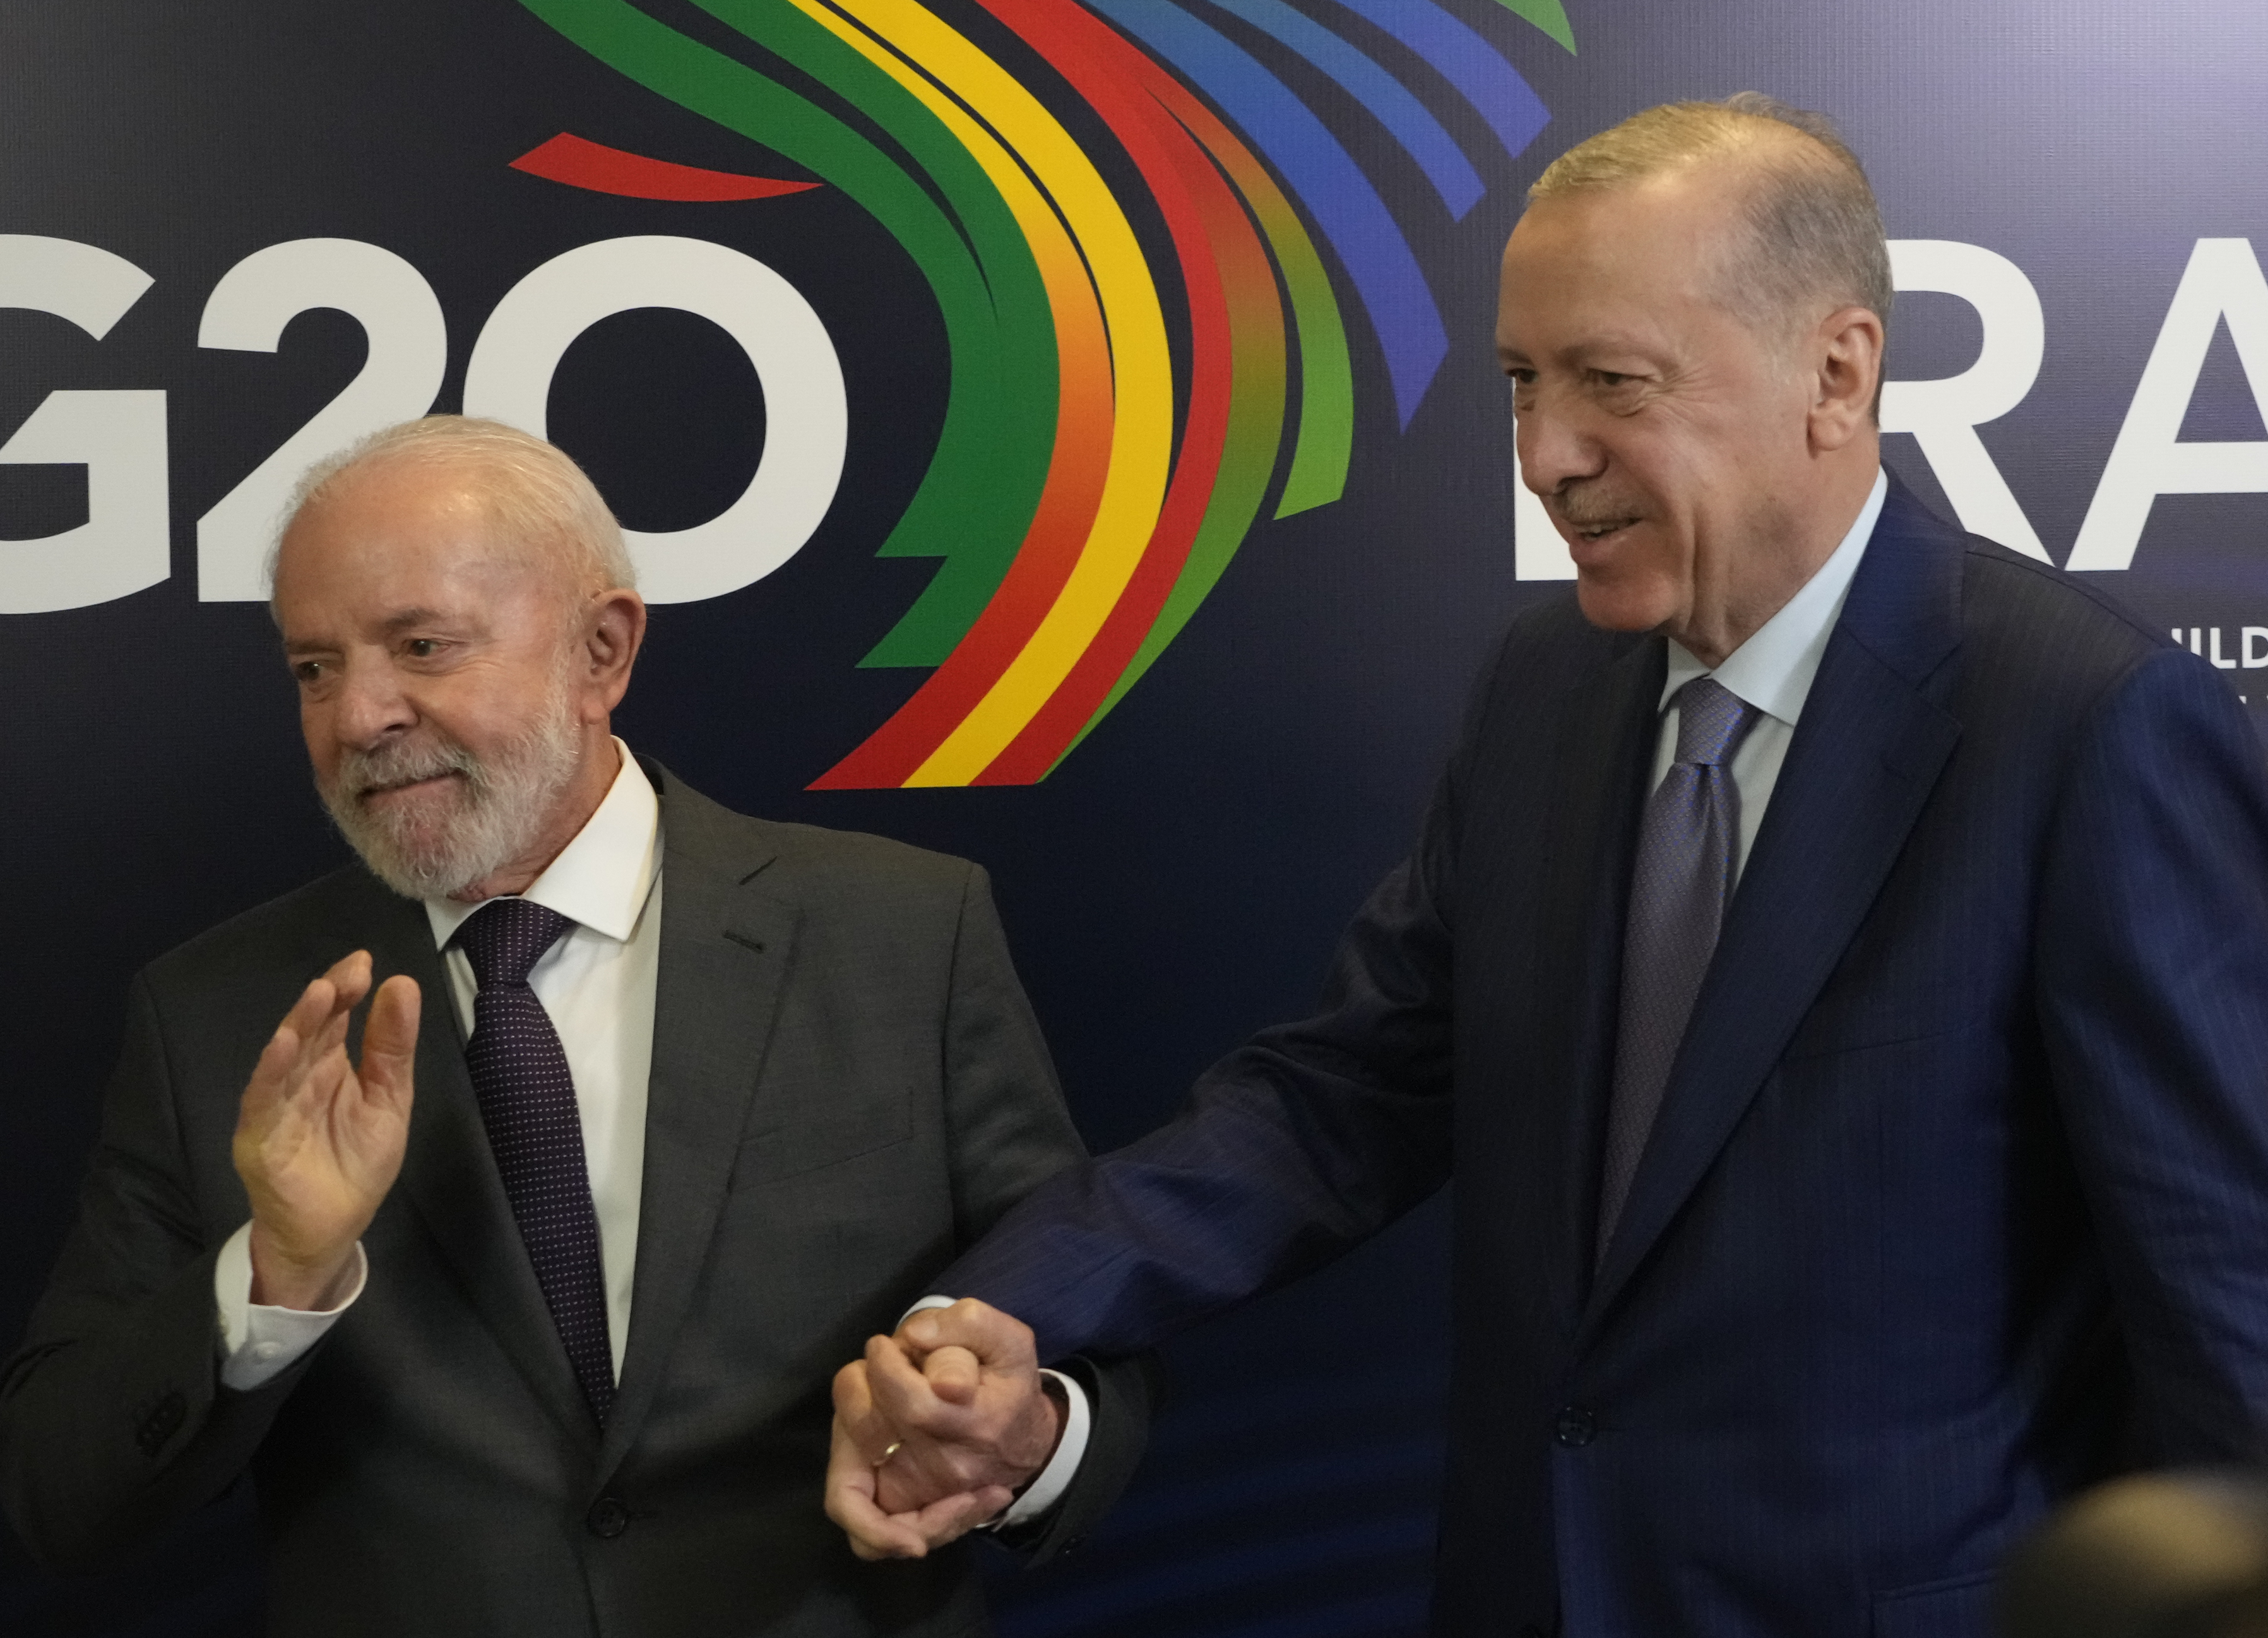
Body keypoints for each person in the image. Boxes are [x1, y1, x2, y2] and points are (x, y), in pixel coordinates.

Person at [824, 96, 2268, 1637]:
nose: (1543, 455)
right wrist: (1003, 1309)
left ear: (1834, 375)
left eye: (1609, 383)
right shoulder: (1541, 691)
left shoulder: (2084, 725)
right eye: (1520, 382)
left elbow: (2225, 1308)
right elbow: (1346, 1098)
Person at [0, 417, 1151, 1637]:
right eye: (313, 669)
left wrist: (1030, 1435)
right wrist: (276, 1273)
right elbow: (58, 1492)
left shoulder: (904, 935)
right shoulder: (217, 1014)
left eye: (421, 646)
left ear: (602, 650)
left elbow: (1080, 1326)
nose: (359, 717)